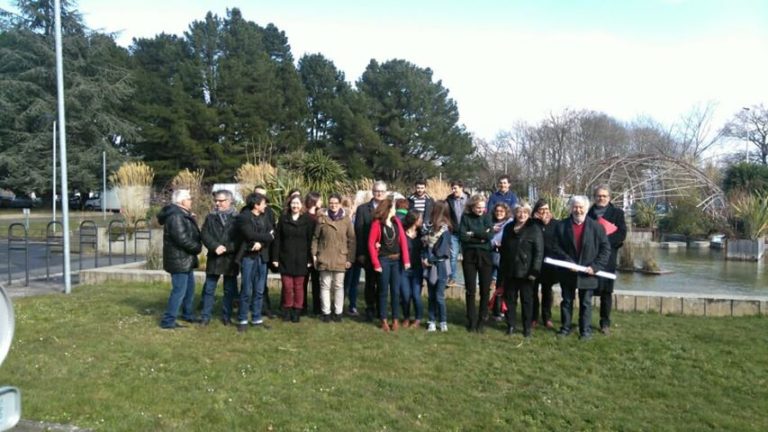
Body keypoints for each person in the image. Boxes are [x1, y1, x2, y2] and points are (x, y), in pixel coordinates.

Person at [552, 195, 611, 340]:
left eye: (580, 207)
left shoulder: (596, 227)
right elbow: (555, 247)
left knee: (586, 303)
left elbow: (605, 249)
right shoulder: (561, 226)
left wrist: (595, 267)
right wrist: (568, 262)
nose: (577, 210)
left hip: (588, 273)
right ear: (571, 208)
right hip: (568, 272)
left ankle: (585, 330)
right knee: (566, 301)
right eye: (575, 207)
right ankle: (565, 328)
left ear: (586, 208)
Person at [158, 189, 202, 329]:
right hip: (179, 260)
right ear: (182, 201)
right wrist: (197, 248)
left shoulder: (182, 214)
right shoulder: (176, 217)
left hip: (184, 260)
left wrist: (190, 218)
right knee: (179, 291)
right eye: (189, 198)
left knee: (189, 289)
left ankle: (187, 315)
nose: (191, 201)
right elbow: (182, 239)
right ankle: (168, 321)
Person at [498, 202, 544, 338]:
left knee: (527, 301)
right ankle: (510, 325)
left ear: (529, 214)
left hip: (526, 272)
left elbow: (539, 252)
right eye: (519, 212)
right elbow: (504, 250)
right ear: (514, 213)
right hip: (510, 270)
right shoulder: (508, 228)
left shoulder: (534, 228)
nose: (521, 215)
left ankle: (527, 328)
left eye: (525, 212)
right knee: (510, 299)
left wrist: (534, 271)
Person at [587, 185, 627, 336]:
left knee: (606, 293)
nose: (601, 198)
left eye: (604, 196)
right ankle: (585, 321)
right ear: (594, 197)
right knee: (588, 291)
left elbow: (621, 234)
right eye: (598, 196)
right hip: (590, 257)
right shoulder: (588, 213)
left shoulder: (617, 213)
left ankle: (605, 323)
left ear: (609, 198)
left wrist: (604, 242)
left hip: (608, 257)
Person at [271, 194, 315, 323]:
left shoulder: (308, 220)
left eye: (297, 203)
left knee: (299, 286)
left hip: (301, 259)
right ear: (289, 205)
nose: (295, 206)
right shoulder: (283, 219)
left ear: (302, 205)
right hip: (285, 258)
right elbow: (278, 240)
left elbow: (310, 241)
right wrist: (275, 258)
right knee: (287, 286)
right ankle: (287, 309)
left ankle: (297, 310)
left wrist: (309, 259)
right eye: (293, 203)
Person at [234, 192, 274, 332]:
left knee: (259, 289)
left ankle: (257, 318)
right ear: (256, 205)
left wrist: (260, 244)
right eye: (263, 203)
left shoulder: (265, 217)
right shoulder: (243, 217)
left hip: (262, 257)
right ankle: (243, 318)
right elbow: (249, 234)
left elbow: (272, 234)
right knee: (246, 289)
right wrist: (263, 238)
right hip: (248, 257)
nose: (265, 206)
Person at [368, 198, 411, 332]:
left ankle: (395, 319)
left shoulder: (396, 221)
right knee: (383, 291)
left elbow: (403, 240)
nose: (395, 211)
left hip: (396, 260)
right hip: (384, 260)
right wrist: (376, 263)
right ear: (388, 209)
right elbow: (371, 243)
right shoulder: (377, 223)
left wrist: (406, 260)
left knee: (395, 291)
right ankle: (384, 319)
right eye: (393, 209)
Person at [312, 193, 356, 322]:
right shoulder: (321, 218)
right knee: (325, 286)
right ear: (328, 203)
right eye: (331, 203)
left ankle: (338, 313)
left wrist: (350, 259)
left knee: (338, 286)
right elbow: (315, 238)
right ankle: (326, 312)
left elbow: (352, 240)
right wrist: (314, 254)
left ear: (340, 204)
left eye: (336, 203)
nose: (333, 205)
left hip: (341, 257)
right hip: (324, 256)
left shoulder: (346, 219)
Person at [199, 190, 239, 326]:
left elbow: (240, 239)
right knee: (209, 289)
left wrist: (227, 248)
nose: (217, 203)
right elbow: (204, 234)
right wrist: (215, 246)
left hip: (230, 259)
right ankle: (205, 317)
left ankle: (226, 316)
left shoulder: (237, 218)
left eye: (220, 201)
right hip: (214, 258)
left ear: (228, 201)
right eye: (216, 201)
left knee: (229, 290)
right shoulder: (210, 217)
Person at [459, 194, 494, 333]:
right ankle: (471, 320)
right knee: (470, 289)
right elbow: (462, 236)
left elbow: (489, 236)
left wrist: (472, 233)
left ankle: (482, 319)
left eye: (483, 207)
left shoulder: (487, 217)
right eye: (478, 207)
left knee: (485, 289)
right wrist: (480, 236)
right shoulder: (465, 217)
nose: (481, 210)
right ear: (472, 206)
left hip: (485, 256)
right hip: (469, 256)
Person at [355, 181, 388, 321]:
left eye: (381, 191)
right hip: (368, 253)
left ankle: (382, 310)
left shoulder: (389, 207)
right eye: (376, 191)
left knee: (383, 283)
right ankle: (370, 308)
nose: (379, 193)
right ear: (372, 191)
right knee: (370, 282)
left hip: (385, 253)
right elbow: (359, 231)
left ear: (385, 192)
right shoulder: (363, 209)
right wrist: (361, 253)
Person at [422, 200, 452, 332]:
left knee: (439, 295)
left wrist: (430, 259)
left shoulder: (445, 231)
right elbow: (424, 244)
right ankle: (431, 320)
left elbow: (443, 251)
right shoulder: (429, 228)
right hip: (429, 265)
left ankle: (443, 321)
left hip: (440, 266)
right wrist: (424, 258)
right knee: (431, 295)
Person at [531, 198, 559, 329]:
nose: (544, 212)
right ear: (536, 211)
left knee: (547, 292)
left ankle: (547, 317)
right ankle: (533, 317)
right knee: (533, 291)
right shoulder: (531, 224)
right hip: (534, 263)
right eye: (541, 209)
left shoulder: (556, 224)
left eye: (546, 209)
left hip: (549, 263)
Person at [254, 185, 277, 318]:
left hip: (264, 251)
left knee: (262, 283)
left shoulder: (269, 212)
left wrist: (262, 243)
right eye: (258, 195)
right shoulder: (245, 211)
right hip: (250, 251)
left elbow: (272, 231)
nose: (261, 198)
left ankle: (264, 307)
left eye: (263, 196)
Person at [400, 209, 424, 329]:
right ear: (414, 220)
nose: (422, 220)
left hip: (417, 269)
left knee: (416, 295)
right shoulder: (402, 233)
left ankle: (418, 318)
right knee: (405, 295)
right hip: (404, 269)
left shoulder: (422, 234)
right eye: (420, 218)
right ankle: (406, 317)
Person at [489, 202, 512, 321]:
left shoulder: (509, 223)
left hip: (503, 257)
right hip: (490, 255)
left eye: (502, 211)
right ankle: (491, 309)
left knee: (501, 285)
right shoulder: (489, 222)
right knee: (488, 284)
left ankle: (499, 310)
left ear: (506, 212)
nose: (499, 213)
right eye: (497, 211)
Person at [303, 191, 323, 316]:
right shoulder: (305, 217)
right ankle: (303, 306)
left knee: (317, 283)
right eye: (320, 200)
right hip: (306, 254)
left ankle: (317, 307)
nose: (322, 202)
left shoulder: (320, 217)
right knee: (304, 282)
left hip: (317, 254)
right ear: (314, 201)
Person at [445, 181, 469, 286]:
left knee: (467, 256)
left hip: (466, 232)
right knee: (453, 256)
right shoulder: (449, 199)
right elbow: (446, 214)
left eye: (455, 188)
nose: (453, 190)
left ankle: (468, 279)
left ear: (461, 187)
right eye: (452, 188)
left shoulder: (469, 199)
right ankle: (452, 278)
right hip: (454, 232)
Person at [342, 196, 361, 316]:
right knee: (346, 283)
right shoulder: (343, 220)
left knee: (352, 282)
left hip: (356, 255)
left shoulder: (356, 219)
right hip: (346, 255)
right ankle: (344, 305)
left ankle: (352, 305)